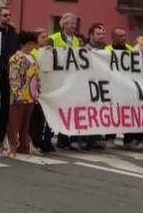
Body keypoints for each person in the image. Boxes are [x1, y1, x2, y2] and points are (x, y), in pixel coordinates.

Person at [0, 31, 39, 158]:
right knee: (14, 122)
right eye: (30, 44)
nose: (32, 46)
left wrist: (37, 92)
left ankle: (23, 145)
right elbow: (14, 78)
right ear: (24, 44)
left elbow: (36, 76)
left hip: (31, 96)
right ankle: (10, 147)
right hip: (20, 96)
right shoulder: (16, 58)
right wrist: (18, 94)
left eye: (33, 44)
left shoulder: (33, 57)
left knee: (26, 123)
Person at [49, 13, 82, 149]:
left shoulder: (76, 40)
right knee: (53, 109)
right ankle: (48, 137)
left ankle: (64, 137)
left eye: (75, 23)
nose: (74, 26)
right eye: (71, 23)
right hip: (56, 78)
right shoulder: (53, 38)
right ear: (63, 25)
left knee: (67, 109)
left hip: (70, 79)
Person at [0, 7, 19, 147]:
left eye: (9, 15)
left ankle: (2, 135)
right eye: (5, 15)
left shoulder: (13, 34)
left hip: (9, 75)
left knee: (6, 106)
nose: (8, 18)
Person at [28, 28, 54, 153]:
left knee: (41, 118)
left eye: (46, 36)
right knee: (33, 117)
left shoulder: (48, 51)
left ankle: (38, 141)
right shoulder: (32, 52)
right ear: (36, 39)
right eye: (43, 37)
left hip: (45, 89)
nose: (46, 39)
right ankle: (31, 141)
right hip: (34, 89)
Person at [83, 23, 107, 149]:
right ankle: (84, 138)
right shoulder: (85, 48)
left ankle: (95, 137)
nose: (101, 36)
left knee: (97, 112)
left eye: (103, 34)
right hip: (88, 84)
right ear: (91, 35)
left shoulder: (106, 49)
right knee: (87, 111)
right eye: (98, 34)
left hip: (101, 85)